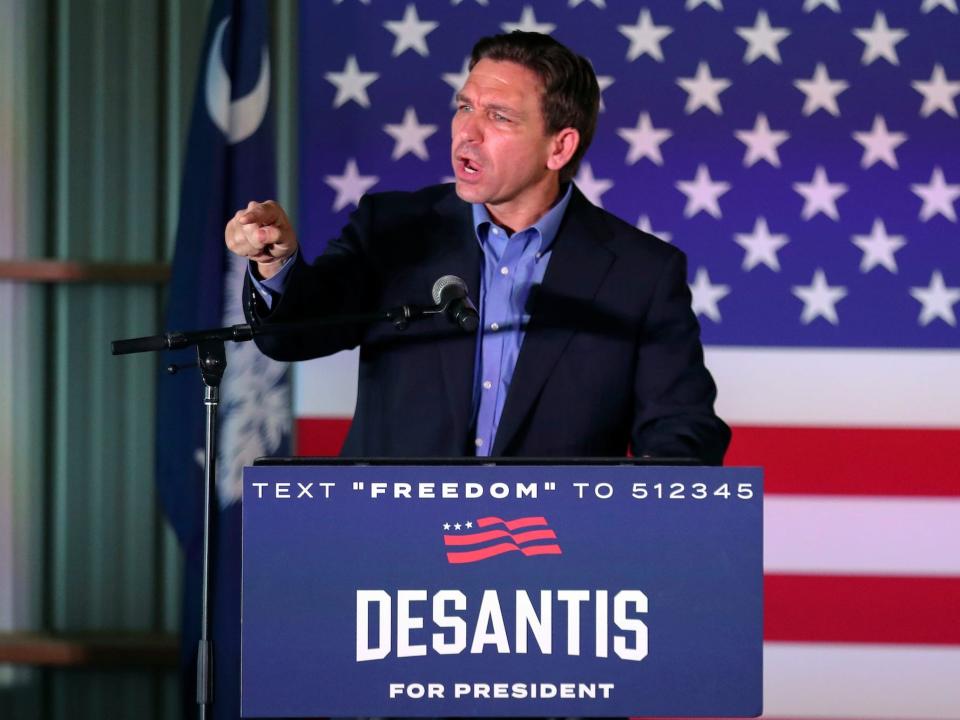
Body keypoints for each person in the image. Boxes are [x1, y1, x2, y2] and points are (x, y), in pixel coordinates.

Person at [225, 31, 730, 464]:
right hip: (391, 546)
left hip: (551, 554)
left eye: (500, 117)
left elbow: (682, 429)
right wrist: (274, 259)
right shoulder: (395, 228)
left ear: (560, 146)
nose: (468, 131)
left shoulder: (640, 273)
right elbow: (294, 335)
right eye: (465, 106)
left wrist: (642, 514)